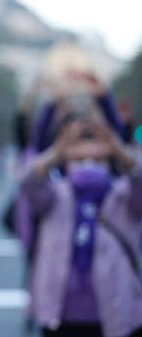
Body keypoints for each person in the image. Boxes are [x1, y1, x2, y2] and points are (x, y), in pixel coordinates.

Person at [20, 103, 142, 337]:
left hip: (119, 315)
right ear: (66, 163)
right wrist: (58, 150)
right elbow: (29, 181)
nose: (88, 165)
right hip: (61, 316)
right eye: (80, 158)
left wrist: (118, 149)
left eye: (97, 159)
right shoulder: (56, 195)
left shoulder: (124, 196)